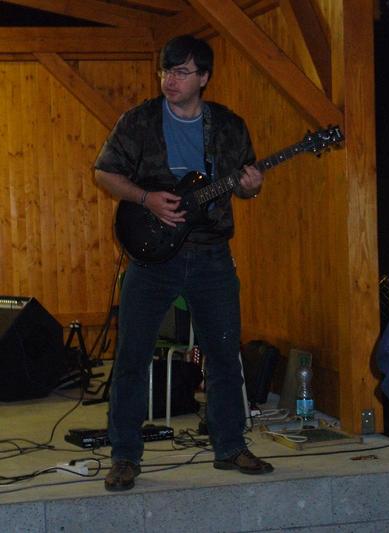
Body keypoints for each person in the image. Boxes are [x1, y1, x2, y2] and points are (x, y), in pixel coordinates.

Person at [94, 34, 273, 492]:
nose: (168, 80)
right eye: (165, 71)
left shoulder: (229, 127)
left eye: (180, 72)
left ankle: (230, 446)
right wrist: (146, 198)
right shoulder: (138, 122)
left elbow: (244, 185)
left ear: (204, 78)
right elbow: (104, 172)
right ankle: (125, 456)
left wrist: (251, 187)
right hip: (151, 258)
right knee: (132, 357)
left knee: (224, 356)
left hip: (212, 256)